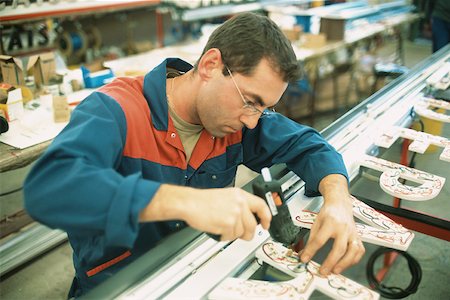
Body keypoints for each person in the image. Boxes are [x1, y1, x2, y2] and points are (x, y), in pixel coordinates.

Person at [24, 13, 364, 297]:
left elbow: (309, 144)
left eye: (264, 107)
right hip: (118, 288)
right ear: (211, 65)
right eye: (250, 101)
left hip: (200, 275)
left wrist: (338, 200)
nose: (252, 119)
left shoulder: (238, 121)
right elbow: (49, 188)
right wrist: (185, 202)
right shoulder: (116, 111)